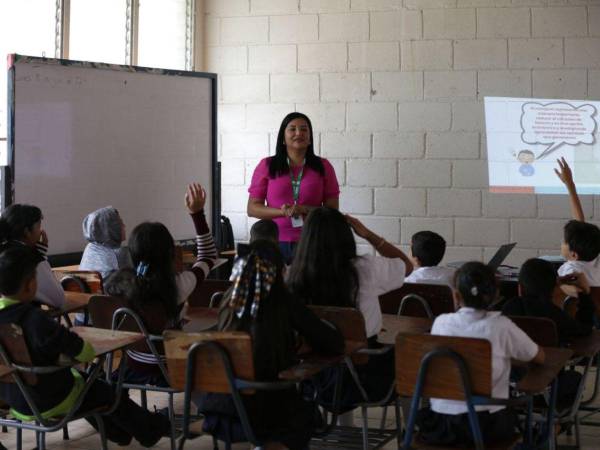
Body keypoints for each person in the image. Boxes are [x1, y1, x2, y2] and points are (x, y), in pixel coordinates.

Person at [0, 245, 170, 447]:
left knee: (88, 386)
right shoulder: (36, 320)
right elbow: (83, 351)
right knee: (103, 391)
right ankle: (151, 429)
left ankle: (126, 433)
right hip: (50, 399)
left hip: (15, 400)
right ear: (30, 285)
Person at [198, 239, 344, 450]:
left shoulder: (229, 301)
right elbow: (333, 343)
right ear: (278, 272)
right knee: (308, 415)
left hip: (222, 414)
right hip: (270, 415)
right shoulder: (283, 301)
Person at [286, 207, 413, 406]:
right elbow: (407, 266)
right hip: (367, 378)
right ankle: (410, 429)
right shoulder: (366, 268)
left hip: (315, 379)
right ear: (346, 235)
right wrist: (368, 235)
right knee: (409, 356)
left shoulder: (294, 275)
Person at [416, 262, 544, 446]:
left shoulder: (440, 323)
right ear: (496, 295)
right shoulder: (501, 325)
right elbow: (538, 357)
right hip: (486, 427)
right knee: (525, 417)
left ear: (456, 295)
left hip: (442, 425)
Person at [105, 183, 217, 386]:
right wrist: (197, 213)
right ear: (170, 254)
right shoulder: (178, 285)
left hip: (132, 365)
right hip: (169, 367)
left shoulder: (118, 285)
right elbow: (209, 256)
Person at [247, 112, 340, 263]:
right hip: (273, 242)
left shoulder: (323, 166)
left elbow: (332, 211)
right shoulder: (267, 166)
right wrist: (282, 212)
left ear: (310, 138)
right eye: (292, 129)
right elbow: (252, 209)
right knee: (276, 287)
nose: (299, 133)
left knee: (308, 287)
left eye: (304, 129)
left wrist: (303, 209)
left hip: (312, 242)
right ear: (283, 138)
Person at [503, 258, 593, 343]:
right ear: (554, 289)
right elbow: (586, 329)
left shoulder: (509, 307)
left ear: (520, 288)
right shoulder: (555, 315)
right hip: (553, 359)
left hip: (514, 358)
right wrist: (585, 293)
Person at [0, 204, 64, 308]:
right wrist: (40, 257)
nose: (41, 232)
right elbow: (58, 299)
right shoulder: (30, 258)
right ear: (27, 232)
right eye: (38, 226)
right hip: (21, 320)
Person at [79, 206, 132, 279]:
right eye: (120, 223)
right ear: (110, 228)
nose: (124, 226)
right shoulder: (119, 253)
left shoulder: (90, 248)